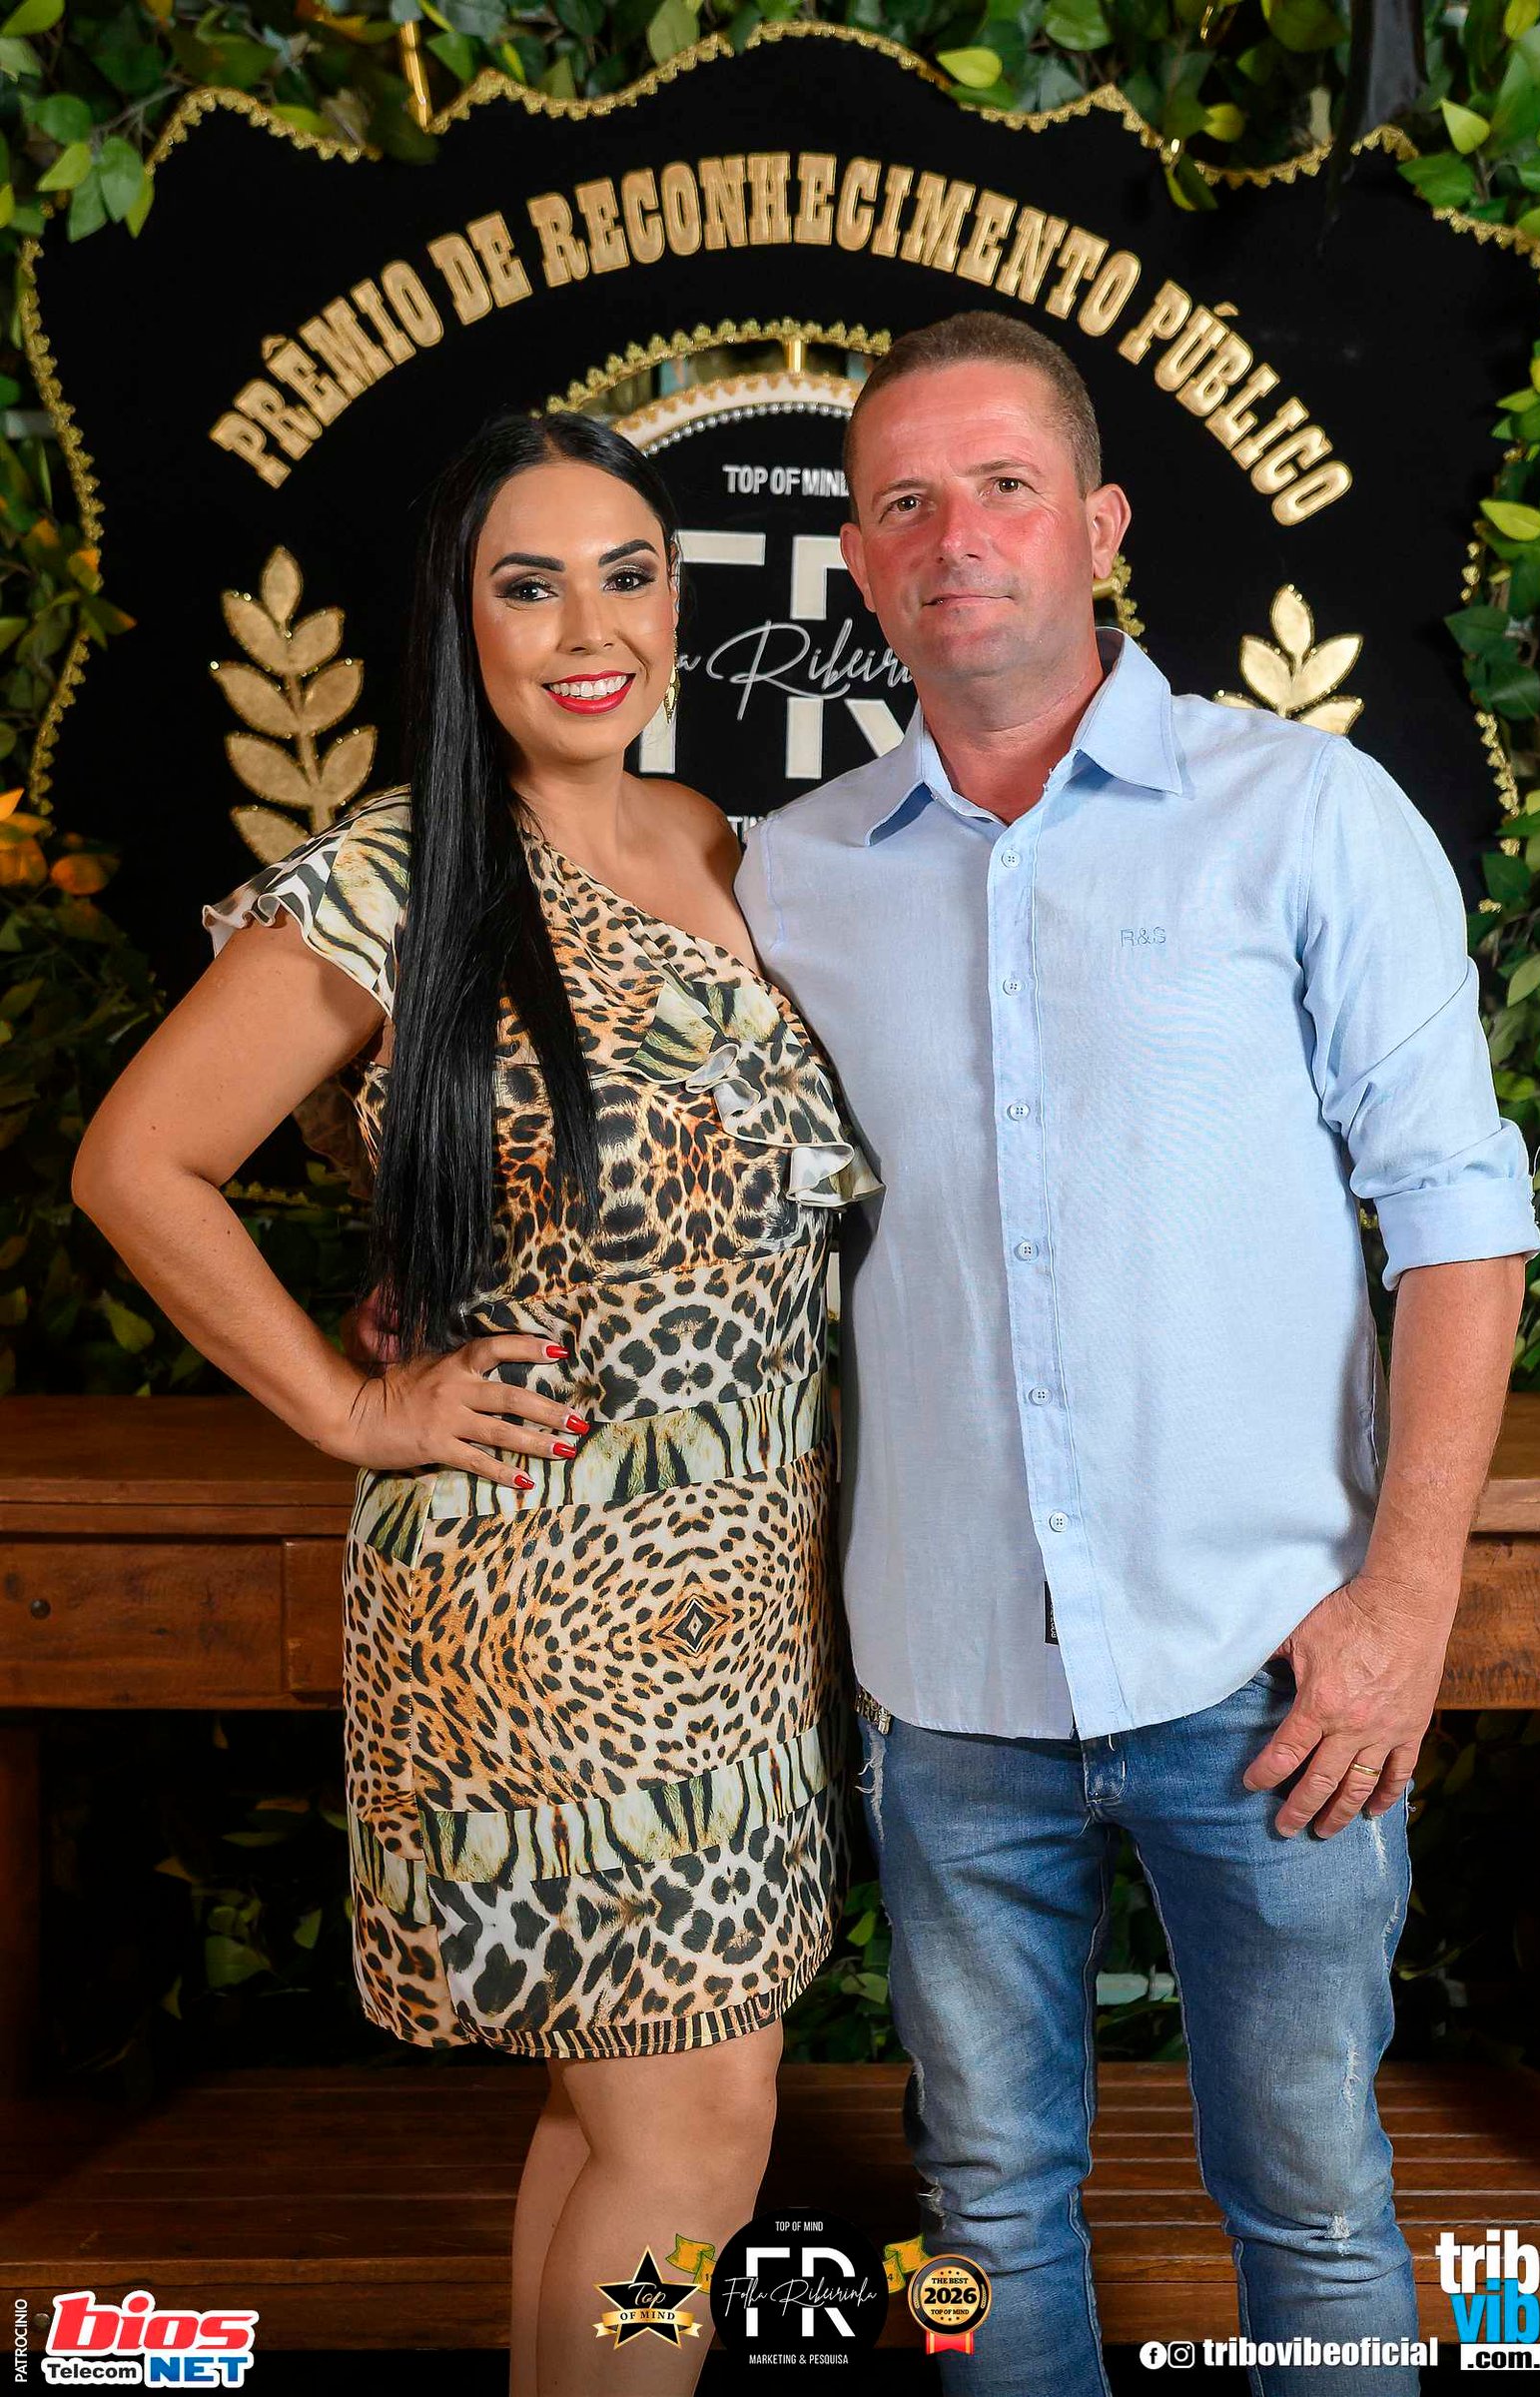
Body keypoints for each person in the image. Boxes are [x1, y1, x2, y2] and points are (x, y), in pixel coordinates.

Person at [731, 310, 1540, 2397]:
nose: (954, 535)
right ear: (859, 558)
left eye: (1002, 486)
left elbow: (1457, 1218)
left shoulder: (1304, 814)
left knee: (1316, 2203)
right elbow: (663, 1156)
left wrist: (1403, 1608)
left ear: (1096, 527)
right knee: (987, 2210)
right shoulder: (790, 878)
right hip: (947, 1688)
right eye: (903, 501)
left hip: (1272, 1666)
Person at [69, 404, 878, 2397]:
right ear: (459, 621)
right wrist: (353, 1414)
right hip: (547, 1599)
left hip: (740, 1595)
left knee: (619, 2118)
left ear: (676, 602)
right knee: (693, 2136)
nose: (588, 627)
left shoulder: (713, 839)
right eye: (530, 584)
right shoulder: (396, 877)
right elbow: (138, 1163)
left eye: (627, 574)